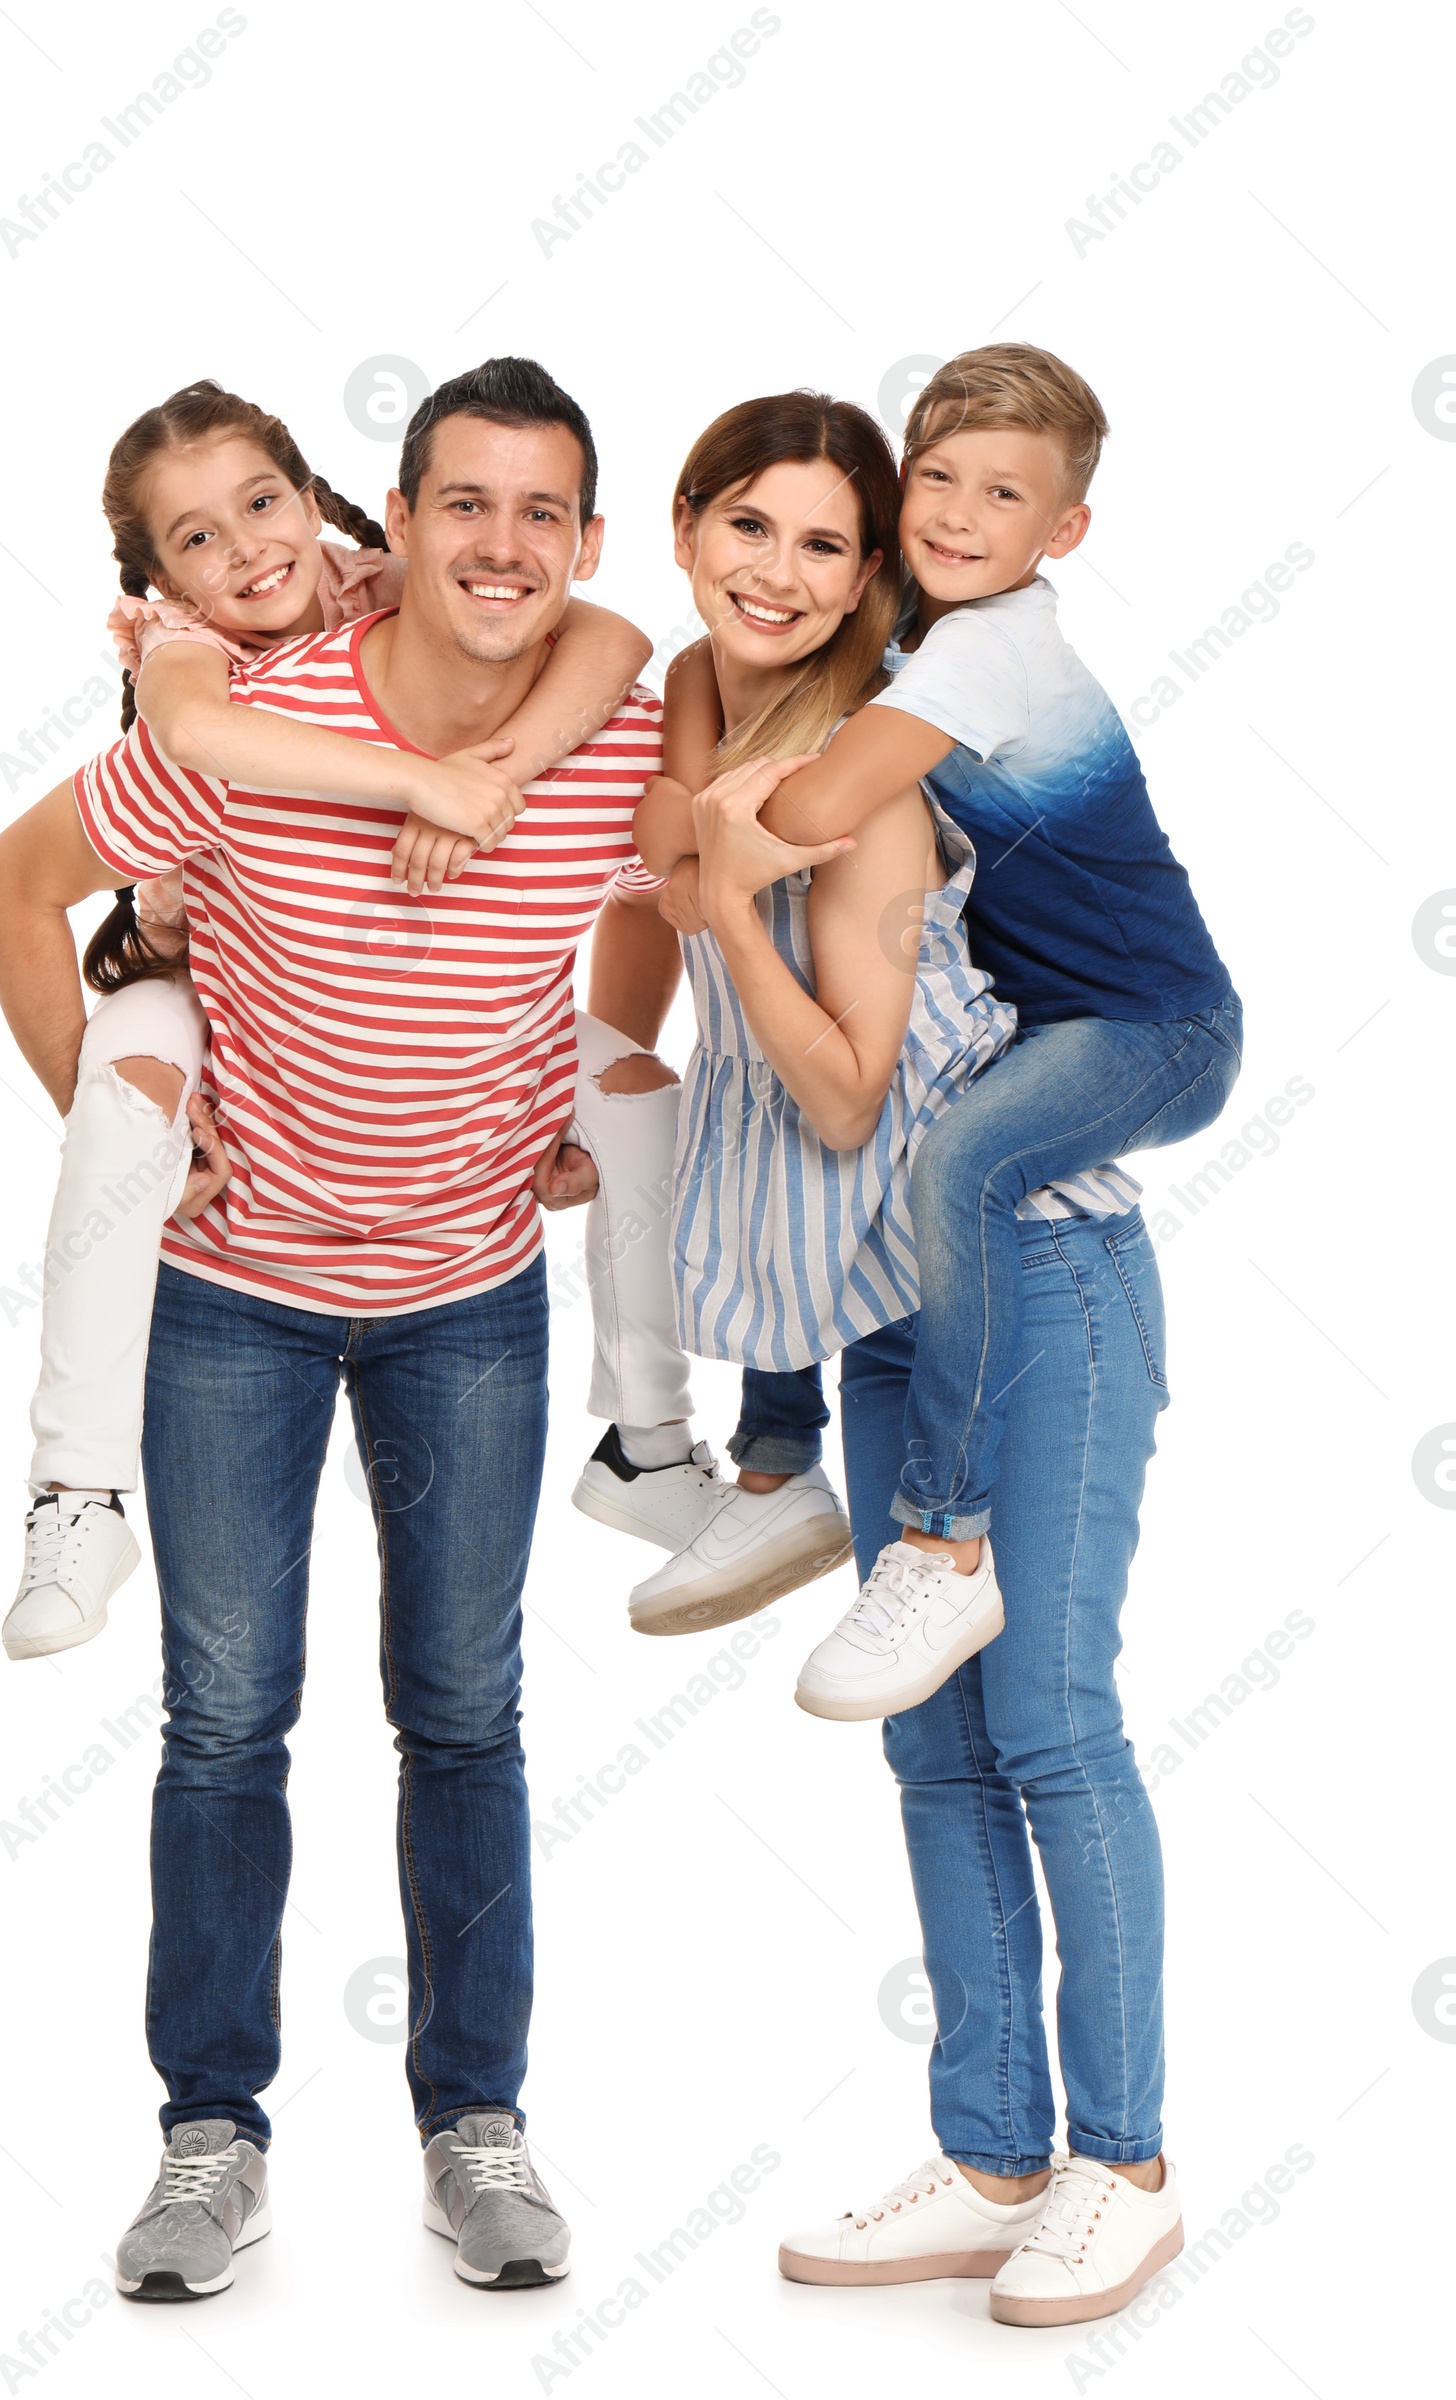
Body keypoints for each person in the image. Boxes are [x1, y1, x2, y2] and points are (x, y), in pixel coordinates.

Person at [0, 356, 663, 2299]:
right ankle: (211, 2139)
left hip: (464, 1304)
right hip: (234, 1309)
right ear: (411, 518)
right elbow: (13, 890)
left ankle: (476, 2128)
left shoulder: (594, 708)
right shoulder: (229, 720)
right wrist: (120, 1159)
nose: (501, 546)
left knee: (464, 1715)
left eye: (539, 513)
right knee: (222, 1724)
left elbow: (658, 866)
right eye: (469, 505)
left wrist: (586, 1074)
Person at [551, 388, 1184, 2326]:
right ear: (684, 529)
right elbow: (643, 883)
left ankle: (1123, 2164)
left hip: (1038, 1284)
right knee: (928, 1748)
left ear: (871, 577)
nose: (776, 567)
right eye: (746, 524)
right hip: (881, 1309)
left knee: (1048, 1718)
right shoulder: (696, 708)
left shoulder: (868, 783)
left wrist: (727, 917)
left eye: (822, 544)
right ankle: (992, 2146)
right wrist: (620, 1052)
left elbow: (835, 1104)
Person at [0, 378, 649, 1662]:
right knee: (124, 1096)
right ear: (161, 577)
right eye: (196, 538)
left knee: (466, 1702)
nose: (243, 550)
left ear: (329, 504)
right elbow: (181, 737)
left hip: (465, 1274)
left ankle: (659, 1436)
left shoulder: (405, 583)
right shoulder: (193, 654)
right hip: (177, 955)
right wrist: (421, 783)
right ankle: (74, 1493)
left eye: (262, 505)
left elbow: (614, 638)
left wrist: (497, 771)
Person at [638, 344, 1240, 1716]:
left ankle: (944, 1538)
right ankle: (779, 1464)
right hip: (1022, 1013)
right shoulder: (900, 601)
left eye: (1005, 495)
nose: (961, 517)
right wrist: (697, 861)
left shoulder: (985, 648)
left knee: (953, 1162)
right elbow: (700, 759)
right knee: (775, 1120)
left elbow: (791, 821)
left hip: (1151, 1024)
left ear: (1064, 532)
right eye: (937, 480)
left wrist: (705, 867)